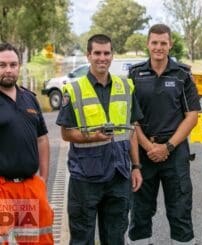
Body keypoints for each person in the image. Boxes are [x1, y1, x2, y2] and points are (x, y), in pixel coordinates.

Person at [56, 34, 143, 245]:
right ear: (89, 55)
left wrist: (136, 166)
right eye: (97, 53)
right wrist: (92, 136)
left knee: (115, 238)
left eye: (106, 53)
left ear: (112, 55)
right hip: (86, 177)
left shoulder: (125, 87)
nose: (102, 58)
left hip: (118, 175)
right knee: (82, 239)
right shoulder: (74, 90)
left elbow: (131, 130)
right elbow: (66, 133)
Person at [128, 24, 201, 245]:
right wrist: (149, 148)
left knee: (180, 213)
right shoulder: (134, 74)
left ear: (170, 45)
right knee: (140, 213)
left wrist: (167, 147)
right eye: (154, 43)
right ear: (148, 44)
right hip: (143, 155)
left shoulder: (183, 75)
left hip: (175, 154)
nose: (159, 47)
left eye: (163, 43)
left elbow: (192, 116)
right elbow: (131, 119)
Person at [0, 43, 53, 244]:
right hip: (2, 190)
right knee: (6, 240)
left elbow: (42, 138)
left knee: (33, 239)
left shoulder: (29, 99)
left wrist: (43, 179)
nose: (8, 70)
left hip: (30, 187)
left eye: (13, 65)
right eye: (2, 65)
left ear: (19, 67)